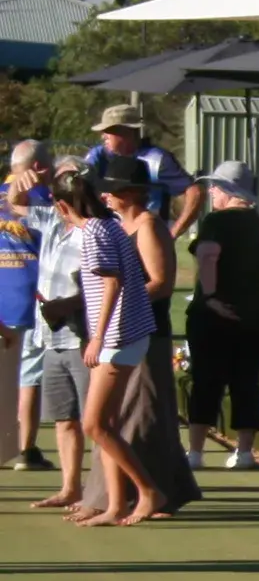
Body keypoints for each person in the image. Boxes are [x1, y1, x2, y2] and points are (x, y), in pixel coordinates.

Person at [66, 156, 164, 526]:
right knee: (105, 423)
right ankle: (115, 503)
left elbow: (117, 282)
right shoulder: (111, 227)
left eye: (113, 188)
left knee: (94, 424)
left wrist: (98, 337)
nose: (107, 194)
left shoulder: (101, 230)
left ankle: (148, 491)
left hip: (119, 335)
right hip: (124, 332)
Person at [184, 161, 259, 472]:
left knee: (206, 381)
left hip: (214, 317)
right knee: (247, 382)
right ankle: (243, 452)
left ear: (228, 190)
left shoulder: (216, 221)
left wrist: (211, 296)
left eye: (215, 186)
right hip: (257, 317)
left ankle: (196, 452)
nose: (211, 191)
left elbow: (208, 254)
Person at [25, 161, 90, 504]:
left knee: (96, 422)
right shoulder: (51, 222)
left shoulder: (93, 230)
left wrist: (67, 305)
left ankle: (107, 492)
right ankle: (70, 488)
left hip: (83, 337)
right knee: (64, 418)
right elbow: (15, 204)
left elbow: (106, 284)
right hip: (50, 338)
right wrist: (24, 182)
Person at [2, 141, 51, 470]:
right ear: (37, 168)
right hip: (30, 299)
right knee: (28, 377)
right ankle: (25, 449)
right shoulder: (43, 199)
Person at [86, 103, 200, 238]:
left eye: (109, 130)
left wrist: (173, 233)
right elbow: (80, 187)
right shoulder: (97, 156)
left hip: (147, 237)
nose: (103, 136)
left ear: (127, 132)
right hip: (109, 238)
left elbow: (195, 192)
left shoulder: (156, 159)